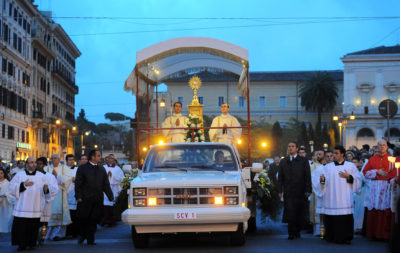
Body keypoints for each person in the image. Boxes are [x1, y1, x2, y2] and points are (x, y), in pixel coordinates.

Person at [314, 146, 361, 244]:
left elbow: (358, 180)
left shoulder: (350, 166)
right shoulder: (327, 167)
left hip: (345, 198)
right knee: (332, 219)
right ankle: (331, 237)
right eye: (333, 153)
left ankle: (346, 238)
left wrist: (349, 177)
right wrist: (322, 181)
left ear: (342, 154)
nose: (334, 155)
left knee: (345, 219)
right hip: (331, 199)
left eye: (336, 153)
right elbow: (322, 183)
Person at [9, 157, 50, 251]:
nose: (34, 164)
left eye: (35, 162)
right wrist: (23, 185)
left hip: (35, 206)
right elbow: (11, 188)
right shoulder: (19, 175)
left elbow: (46, 190)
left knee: (33, 226)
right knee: (21, 227)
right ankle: (21, 244)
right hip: (22, 206)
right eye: (31, 162)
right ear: (26, 164)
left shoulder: (41, 176)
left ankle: (31, 243)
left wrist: (46, 190)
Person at [75, 150, 113, 245]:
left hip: (97, 198)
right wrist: (78, 196)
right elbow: (78, 184)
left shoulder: (101, 168)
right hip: (85, 199)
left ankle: (90, 239)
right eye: (98, 156)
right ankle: (83, 234)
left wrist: (110, 196)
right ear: (93, 157)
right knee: (84, 218)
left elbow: (105, 184)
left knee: (94, 218)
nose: (100, 157)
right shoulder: (82, 168)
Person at [363, 139, 396, 240]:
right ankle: (373, 233)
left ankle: (384, 234)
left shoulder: (392, 159)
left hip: (386, 187)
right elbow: (365, 172)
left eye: (384, 145)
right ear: (377, 147)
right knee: (374, 208)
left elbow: (396, 173)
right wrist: (377, 172)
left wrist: (388, 176)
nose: (382, 147)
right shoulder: (372, 159)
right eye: (380, 145)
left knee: (385, 209)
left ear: (387, 147)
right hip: (375, 187)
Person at [278, 142, 312, 240]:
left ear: (296, 148)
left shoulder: (303, 161)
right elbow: (280, 177)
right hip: (288, 191)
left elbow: (307, 176)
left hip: (300, 191)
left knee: (299, 212)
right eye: (289, 146)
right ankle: (291, 233)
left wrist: (308, 189)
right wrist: (280, 191)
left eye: (292, 146)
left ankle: (297, 231)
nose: (290, 148)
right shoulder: (284, 161)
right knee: (290, 212)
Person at [45, 153, 72, 241]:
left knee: (61, 215)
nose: (54, 160)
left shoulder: (65, 168)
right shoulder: (46, 168)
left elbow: (68, 179)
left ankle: (59, 235)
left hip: (60, 193)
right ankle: (48, 235)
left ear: (59, 159)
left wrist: (57, 176)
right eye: (52, 158)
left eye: (56, 158)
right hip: (49, 195)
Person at [36, 157, 58, 243]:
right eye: (37, 163)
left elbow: (55, 189)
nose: (38, 166)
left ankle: (42, 237)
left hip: (45, 202)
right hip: (34, 203)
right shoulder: (32, 176)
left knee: (44, 222)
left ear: (44, 165)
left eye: (40, 164)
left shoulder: (49, 176)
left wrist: (47, 189)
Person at [101, 154, 124, 227]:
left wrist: (113, 177)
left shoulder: (118, 169)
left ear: (114, 160)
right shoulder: (103, 168)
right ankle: (105, 219)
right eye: (109, 158)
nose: (111, 160)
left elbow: (122, 178)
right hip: (105, 188)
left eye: (112, 158)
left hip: (114, 188)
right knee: (105, 204)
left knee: (112, 204)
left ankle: (112, 220)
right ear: (107, 159)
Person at [309, 150, 324, 236]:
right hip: (315, 191)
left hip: (324, 190)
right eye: (316, 155)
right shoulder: (311, 166)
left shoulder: (326, 166)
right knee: (315, 210)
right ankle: (317, 230)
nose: (317, 157)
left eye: (319, 155)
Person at [65, 154, 79, 238]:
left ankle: (75, 232)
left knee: (74, 214)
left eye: (72, 159)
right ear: (66, 161)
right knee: (67, 214)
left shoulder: (78, 169)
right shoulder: (63, 170)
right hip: (65, 194)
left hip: (74, 194)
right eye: (69, 160)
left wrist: (76, 180)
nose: (71, 161)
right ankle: (67, 232)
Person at [0, 168, 13, 234]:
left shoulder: (8, 183)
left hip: (5, 203)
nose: (0, 175)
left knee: (3, 218)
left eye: (1, 173)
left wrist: (6, 195)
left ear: (4, 174)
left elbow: (10, 193)